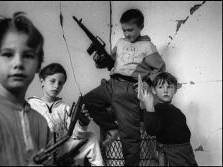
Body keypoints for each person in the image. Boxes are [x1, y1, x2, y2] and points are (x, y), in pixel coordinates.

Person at [82, 9, 166, 166]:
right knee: (87, 101)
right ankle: (112, 129)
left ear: (141, 27)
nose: (127, 34)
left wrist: (147, 82)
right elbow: (112, 62)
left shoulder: (147, 46)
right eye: (124, 30)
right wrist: (100, 60)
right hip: (111, 84)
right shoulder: (120, 42)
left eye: (131, 30)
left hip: (128, 91)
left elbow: (160, 67)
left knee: (129, 136)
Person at [0, 12, 53, 166]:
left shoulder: (41, 124)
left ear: (38, 66)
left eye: (28, 55)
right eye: (8, 54)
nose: (18, 63)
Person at [28, 63, 104, 166]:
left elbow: (76, 135)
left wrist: (82, 122)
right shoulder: (30, 106)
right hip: (40, 153)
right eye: (52, 81)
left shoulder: (65, 108)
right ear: (42, 81)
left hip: (60, 150)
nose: (56, 86)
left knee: (90, 138)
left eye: (60, 83)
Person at [140, 72, 198, 166]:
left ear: (175, 90)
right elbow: (152, 130)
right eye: (160, 87)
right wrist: (149, 106)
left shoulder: (177, 111)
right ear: (154, 90)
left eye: (169, 87)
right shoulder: (155, 110)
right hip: (170, 152)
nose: (165, 90)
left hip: (186, 150)